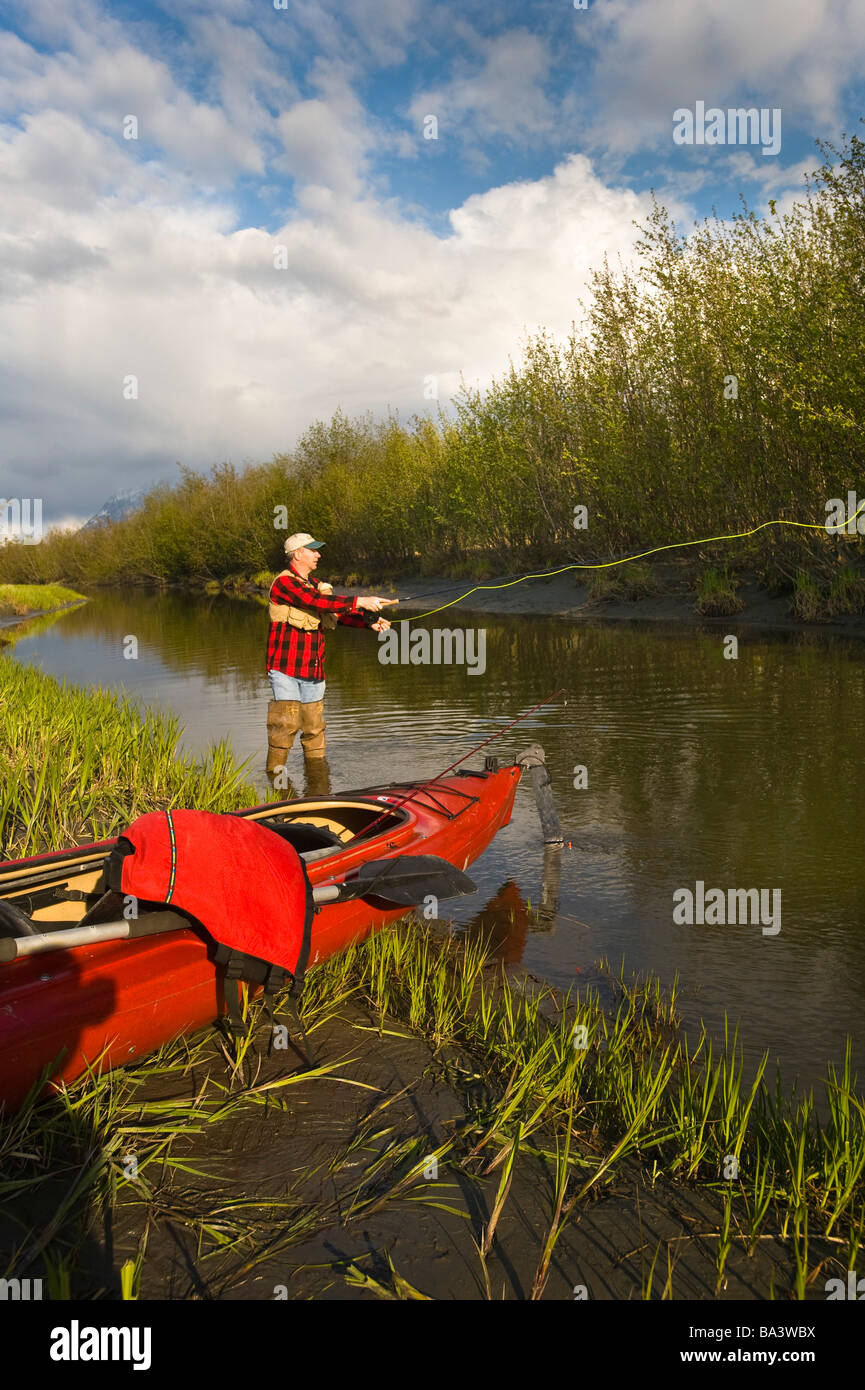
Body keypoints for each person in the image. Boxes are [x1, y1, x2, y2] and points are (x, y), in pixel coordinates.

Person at [265, 532, 395, 774]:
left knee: (314, 728)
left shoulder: (316, 585)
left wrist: (369, 622)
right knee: (285, 725)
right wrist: (360, 600)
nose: (318, 554)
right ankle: (275, 779)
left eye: (317, 550)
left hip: (314, 669)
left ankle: (316, 782)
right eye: (312, 550)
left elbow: (334, 613)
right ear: (297, 554)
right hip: (286, 669)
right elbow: (316, 602)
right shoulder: (284, 583)